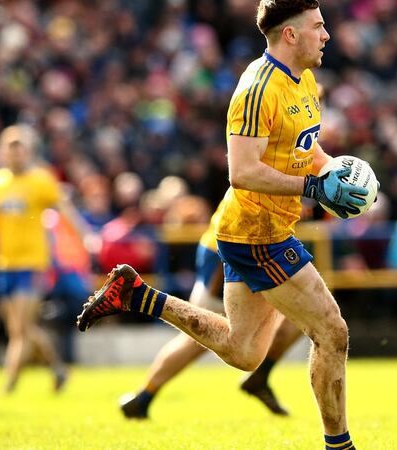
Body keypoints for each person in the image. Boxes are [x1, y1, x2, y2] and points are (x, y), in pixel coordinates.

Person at [78, 2, 368, 448]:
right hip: (257, 234)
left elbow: (306, 150)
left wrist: (340, 173)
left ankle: (138, 295)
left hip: (256, 230)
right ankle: (340, 445)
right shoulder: (256, 89)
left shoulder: (305, 79)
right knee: (332, 331)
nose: (327, 35)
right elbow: (243, 171)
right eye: (318, 27)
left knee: (244, 351)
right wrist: (314, 189)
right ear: (290, 35)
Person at [119, 205, 303, 419]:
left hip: (237, 248)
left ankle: (260, 376)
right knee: (202, 334)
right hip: (231, 250)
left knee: (301, 312)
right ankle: (143, 396)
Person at [0, 124, 87, 393]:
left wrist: (84, 235)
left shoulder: (41, 180)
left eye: (20, 150)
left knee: (20, 330)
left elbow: (65, 210)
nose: (15, 156)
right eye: (10, 150)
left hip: (33, 262)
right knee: (21, 328)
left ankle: (8, 384)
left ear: (29, 152)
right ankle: (58, 369)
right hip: (5, 262)